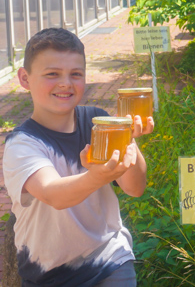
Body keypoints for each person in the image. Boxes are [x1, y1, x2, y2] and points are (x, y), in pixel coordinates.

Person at [3, 28, 154, 286]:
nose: (66, 83)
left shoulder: (100, 123)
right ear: (25, 78)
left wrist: (128, 138)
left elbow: (135, 187)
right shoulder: (22, 143)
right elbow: (54, 194)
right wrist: (96, 177)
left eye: (76, 74)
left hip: (110, 259)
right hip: (47, 274)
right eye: (52, 74)